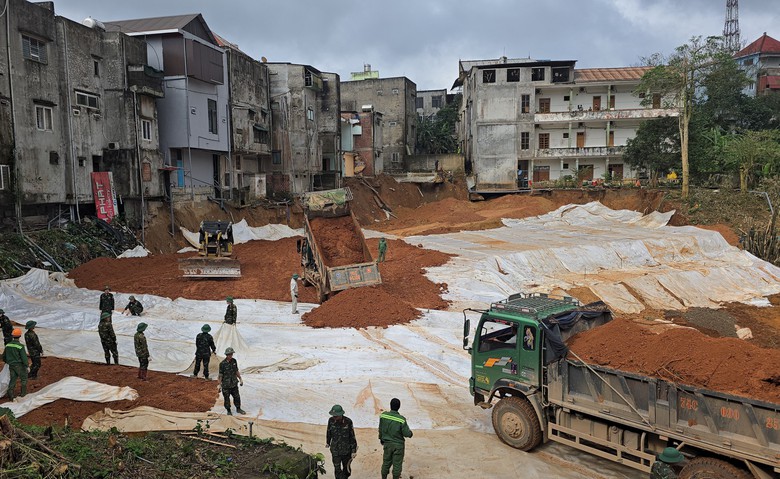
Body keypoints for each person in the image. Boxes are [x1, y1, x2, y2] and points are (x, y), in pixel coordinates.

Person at [378, 397, 413, 479]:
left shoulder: (383, 416)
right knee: (397, 464)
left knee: (386, 462)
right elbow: (406, 433)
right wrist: (411, 434)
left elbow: (380, 429)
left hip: (387, 444)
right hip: (398, 446)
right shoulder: (401, 420)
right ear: (399, 407)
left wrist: (381, 439)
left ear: (390, 405)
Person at [327, 404, 358, 479]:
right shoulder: (331, 420)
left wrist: (354, 450)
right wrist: (327, 442)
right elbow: (328, 432)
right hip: (335, 450)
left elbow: (352, 436)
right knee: (337, 469)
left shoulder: (348, 421)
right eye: (333, 415)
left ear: (341, 414)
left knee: (346, 469)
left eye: (336, 416)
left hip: (346, 450)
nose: (334, 417)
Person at [218, 347, 245, 415]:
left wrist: (240, 378)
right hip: (226, 385)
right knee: (226, 398)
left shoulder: (234, 361)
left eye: (231, 354)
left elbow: (236, 371)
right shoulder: (222, 364)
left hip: (233, 383)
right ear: (226, 355)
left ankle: (238, 409)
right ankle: (228, 410)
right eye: (229, 354)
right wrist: (219, 384)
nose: (230, 356)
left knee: (237, 397)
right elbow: (220, 375)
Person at [3, 328, 28, 400]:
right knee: (24, 379)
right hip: (19, 365)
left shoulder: (8, 345)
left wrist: (7, 361)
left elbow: (4, 356)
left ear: (13, 336)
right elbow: (24, 357)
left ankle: (10, 394)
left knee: (13, 379)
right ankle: (23, 394)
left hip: (11, 365)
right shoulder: (20, 346)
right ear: (20, 336)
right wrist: (26, 365)